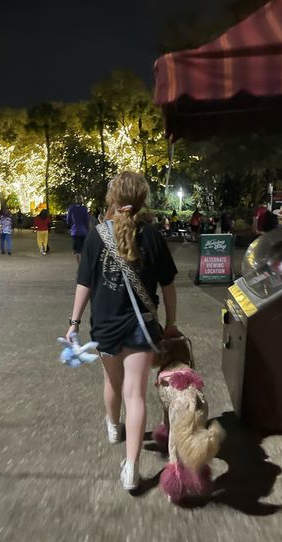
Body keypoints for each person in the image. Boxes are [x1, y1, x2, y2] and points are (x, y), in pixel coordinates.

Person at [64, 171, 180, 492]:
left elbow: (84, 282)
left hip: (105, 325)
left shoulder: (97, 236)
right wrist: (170, 322)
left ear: (112, 199)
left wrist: (74, 322)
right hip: (142, 326)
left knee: (112, 382)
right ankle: (132, 468)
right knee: (136, 394)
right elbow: (168, 285)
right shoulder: (153, 236)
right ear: (142, 200)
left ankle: (114, 428)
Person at [66, 195, 89, 264]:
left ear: (75, 200)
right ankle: (83, 264)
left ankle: (79, 264)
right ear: (82, 201)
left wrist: (70, 225)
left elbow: (68, 220)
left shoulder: (71, 208)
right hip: (83, 232)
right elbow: (86, 220)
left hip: (75, 232)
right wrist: (87, 229)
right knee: (83, 249)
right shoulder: (84, 209)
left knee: (76, 250)